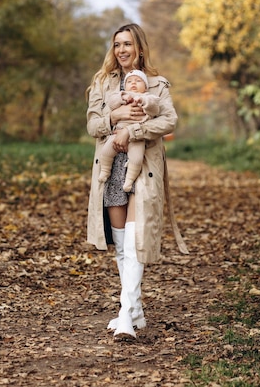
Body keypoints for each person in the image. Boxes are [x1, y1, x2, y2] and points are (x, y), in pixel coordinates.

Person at [86, 23, 185, 340]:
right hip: (112, 167)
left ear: (139, 48)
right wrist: (114, 120)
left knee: (134, 242)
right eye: (117, 44)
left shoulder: (157, 85)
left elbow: (169, 120)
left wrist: (135, 131)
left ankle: (126, 315)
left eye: (127, 44)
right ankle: (137, 310)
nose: (121, 50)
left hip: (144, 170)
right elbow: (92, 125)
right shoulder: (103, 83)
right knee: (121, 247)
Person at [98, 69, 160, 192]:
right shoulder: (122, 95)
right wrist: (123, 98)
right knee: (105, 151)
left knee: (136, 159)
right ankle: (105, 171)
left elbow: (155, 109)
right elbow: (111, 103)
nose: (133, 83)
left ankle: (129, 180)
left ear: (146, 87)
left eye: (138, 81)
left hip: (137, 136)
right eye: (129, 81)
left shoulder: (148, 97)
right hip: (118, 132)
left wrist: (143, 101)